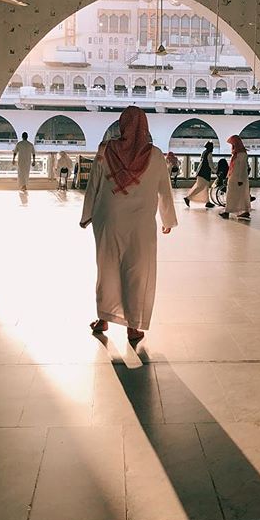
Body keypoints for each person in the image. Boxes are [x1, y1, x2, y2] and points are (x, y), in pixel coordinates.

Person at [80, 106, 177, 345]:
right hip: (141, 224)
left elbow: (94, 184)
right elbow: (164, 190)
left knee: (107, 268)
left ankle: (103, 318)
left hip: (109, 220)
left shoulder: (105, 150)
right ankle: (133, 326)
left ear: (122, 125)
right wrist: (167, 220)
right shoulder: (155, 155)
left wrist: (87, 214)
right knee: (137, 271)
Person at [220, 135, 251, 220]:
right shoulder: (236, 153)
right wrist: (228, 176)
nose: (232, 146)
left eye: (233, 144)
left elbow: (242, 167)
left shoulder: (241, 154)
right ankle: (245, 211)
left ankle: (227, 212)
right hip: (234, 177)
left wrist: (240, 179)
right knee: (238, 195)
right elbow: (232, 167)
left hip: (238, 178)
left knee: (233, 195)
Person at [184, 140, 215, 209]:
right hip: (204, 172)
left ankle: (207, 202)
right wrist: (215, 170)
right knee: (200, 187)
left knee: (205, 187)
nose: (213, 148)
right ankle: (188, 198)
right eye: (212, 147)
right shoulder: (209, 153)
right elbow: (210, 164)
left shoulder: (204, 152)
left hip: (201, 171)